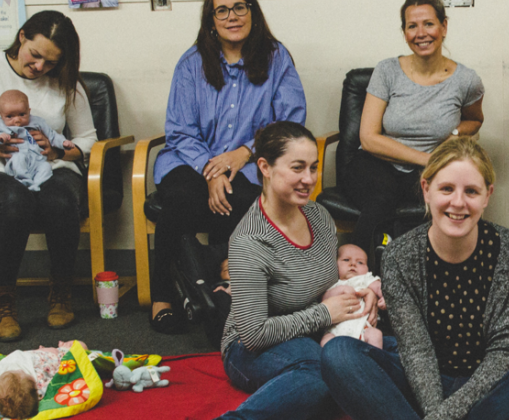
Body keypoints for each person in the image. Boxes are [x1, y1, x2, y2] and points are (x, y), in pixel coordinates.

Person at [322, 137, 509, 420]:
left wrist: (445, 415)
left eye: (471, 191)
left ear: (487, 196)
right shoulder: (399, 255)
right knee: (339, 355)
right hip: (427, 383)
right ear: (426, 190)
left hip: (495, 386)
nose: (458, 202)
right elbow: (416, 351)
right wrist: (437, 412)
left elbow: (504, 355)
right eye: (446, 188)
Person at [150, 0, 307, 333]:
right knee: (178, 199)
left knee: (240, 200)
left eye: (240, 6)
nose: (232, 16)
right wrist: (213, 170)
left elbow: (290, 121)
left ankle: (220, 292)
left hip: (251, 162)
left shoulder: (277, 58)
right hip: (191, 158)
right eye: (222, 10)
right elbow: (180, 129)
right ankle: (162, 297)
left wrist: (245, 152)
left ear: (253, 13)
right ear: (211, 20)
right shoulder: (192, 63)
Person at [0, 11, 96, 341]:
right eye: (35, 55)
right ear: (22, 36)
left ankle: (60, 293)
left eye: (50, 63)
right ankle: (5, 301)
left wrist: (57, 152)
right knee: (14, 201)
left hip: (49, 166)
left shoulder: (67, 82)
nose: (40, 68)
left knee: (60, 200)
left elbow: (87, 140)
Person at [217, 121, 380, 420]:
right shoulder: (249, 241)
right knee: (323, 370)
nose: (309, 179)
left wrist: (362, 293)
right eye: (297, 168)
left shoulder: (319, 215)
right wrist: (326, 313)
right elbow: (254, 335)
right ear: (265, 167)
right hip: (248, 348)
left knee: (387, 354)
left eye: (314, 168)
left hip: (313, 333)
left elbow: (328, 283)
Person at [344, 0, 485, 262]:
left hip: (428, 168)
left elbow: (474, 121)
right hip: (375, 162)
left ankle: (412, 273)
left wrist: (452, 135)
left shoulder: (466, 80)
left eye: (429, 24)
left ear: (444, 26)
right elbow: (369, 137)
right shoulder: (387, 70)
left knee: (433, 203)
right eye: (412, 26)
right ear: (405, 32)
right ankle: (357, 276)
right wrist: (425, 158)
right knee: (382, 197)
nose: (421, 33)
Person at [0, 90, 76, 191]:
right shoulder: (0, 125)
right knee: (17, 162)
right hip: (17, 155)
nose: (17, 120)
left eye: (22, 114)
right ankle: (24, 181)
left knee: (46, 168)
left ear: (29, 111)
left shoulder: (37, 122)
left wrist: (63, 143)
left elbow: (52, 135)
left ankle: (36, 185)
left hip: (37, 158)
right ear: (1, 115)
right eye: (10, 116)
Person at [320, 244, 386, 348]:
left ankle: (374, 361)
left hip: (363, 329)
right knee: (326, 340)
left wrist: (385, 297)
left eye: (360, 262)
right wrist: (340, 290)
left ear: (367, 268)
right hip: (336, 331)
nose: (353, 264)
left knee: (376, 335)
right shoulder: (334, 283)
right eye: (346, 260)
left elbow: (379, 286)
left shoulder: (365, 279)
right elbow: (324, 301)